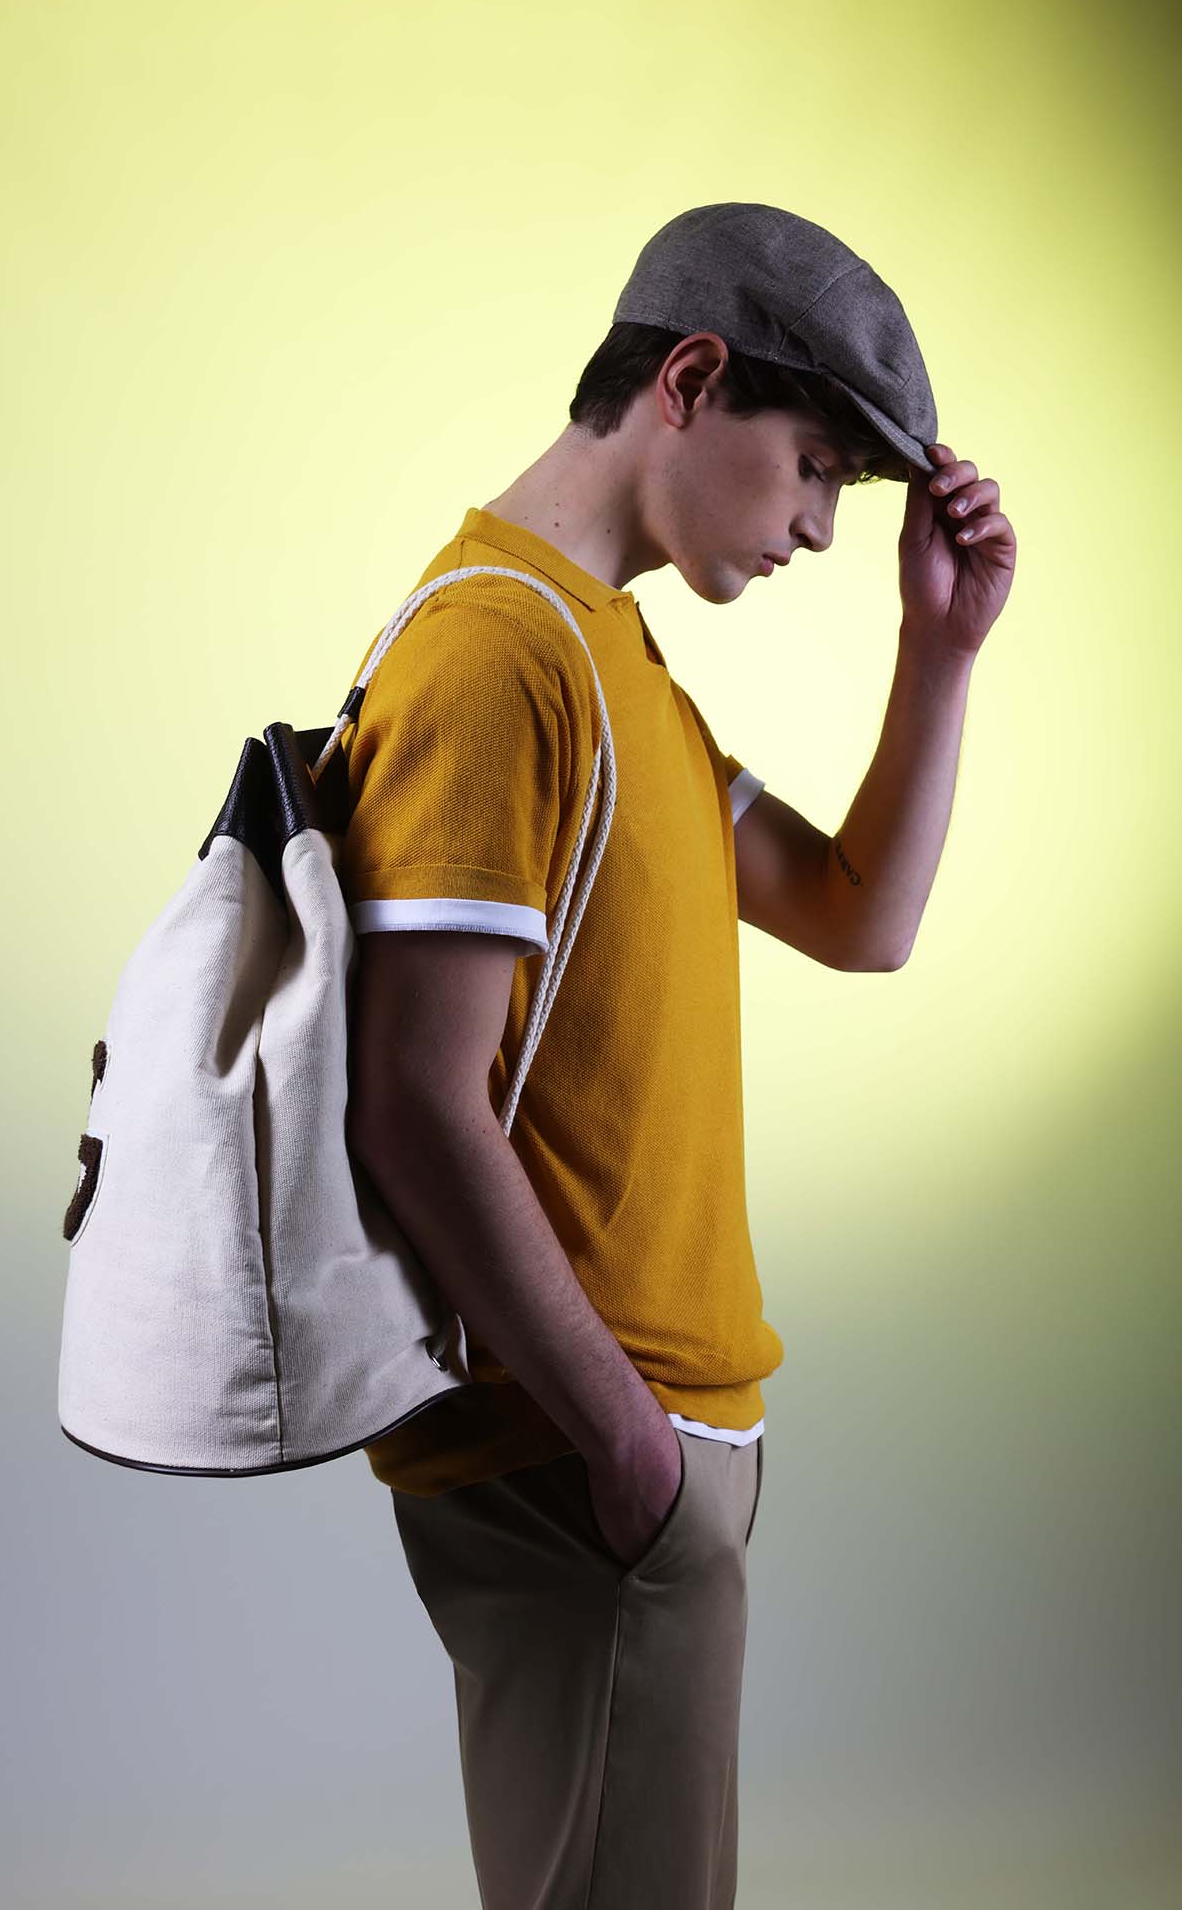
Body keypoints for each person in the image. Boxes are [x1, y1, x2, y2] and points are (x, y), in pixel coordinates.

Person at [337, 202, 1016, 1909]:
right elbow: (414, 1102)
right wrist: (628, 1448)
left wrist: (936, 652)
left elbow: (859, 915)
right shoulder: (496, 654)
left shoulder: (610, 659)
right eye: (813, 471)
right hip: (585, 1459)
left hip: (643, 1457)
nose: (816, 529)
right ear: (692, 381)